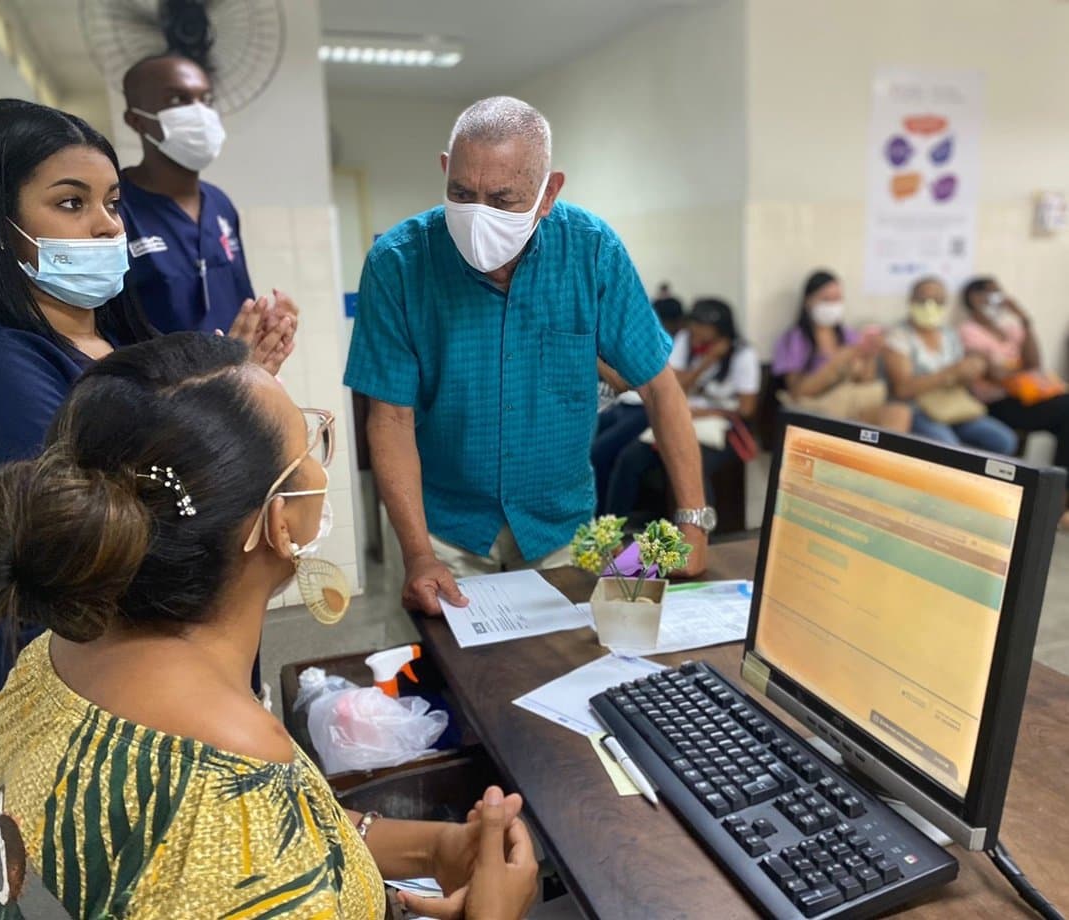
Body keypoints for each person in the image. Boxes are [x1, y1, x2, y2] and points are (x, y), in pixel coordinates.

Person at [0, 332, 539, 919]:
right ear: (278, 523)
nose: (319, 460)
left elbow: (293, 830)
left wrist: (431, 848)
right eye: (308, 444)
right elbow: (259, 847)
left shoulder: (49, 663)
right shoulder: (237, 800)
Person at [0, 99, 288, 782]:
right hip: (69, 719)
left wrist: (235, 385)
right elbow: (118, 528)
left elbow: (173, 464)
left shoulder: (123, 339)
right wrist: (223, 413)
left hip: (175, 683)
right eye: (70, 203)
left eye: (113, 202)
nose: (106, 224)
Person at [344, 96, 711, 615]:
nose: (478, 216)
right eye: (461, 193)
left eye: (503, 199)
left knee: (566, 670)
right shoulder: (398, 264)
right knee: (450, 682)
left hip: (561, 527)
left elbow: (659, 387)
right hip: (446, 530)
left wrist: (693, 522)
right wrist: (419, 554)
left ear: (548, 193)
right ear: (445, 171)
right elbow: (390, 418)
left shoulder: (592, 252)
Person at [119, 53, 297, 350]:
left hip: (234, 380)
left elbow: (237, 303)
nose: (199, 113)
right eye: (178, 100)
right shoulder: (117, 208)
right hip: (159, 391)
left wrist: (268, 328)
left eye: (206, 99)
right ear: (137, 120)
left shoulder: (219, 204)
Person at [603, 298, 760, 513]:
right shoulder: (685, 340)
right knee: (629, 458)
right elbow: (674, 387)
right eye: (694, 323)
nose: (696, 330)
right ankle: (614, 530)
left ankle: (701, 534)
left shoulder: (743, 354)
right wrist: (706, 362)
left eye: (703, 326)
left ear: (721, 330)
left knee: (693, 466)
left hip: (721, 427)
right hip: (682, 417)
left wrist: (706, 412)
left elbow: (746, 408)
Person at [959, 276, 1069, 527]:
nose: (999, 299)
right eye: (992, 293)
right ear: (975, 299)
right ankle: (1059, 499)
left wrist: (1025, 320)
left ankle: (1059, 498)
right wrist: (1018, 374)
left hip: (1028, 398)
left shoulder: (1010, 328)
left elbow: (1034, 362)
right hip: (998, 403)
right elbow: (993, 375)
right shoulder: (969, 331)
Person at [883, 277, 1017, 455]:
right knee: (949, 448)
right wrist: (950, 374)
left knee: (1004, 440)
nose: (930, 306)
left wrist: (973, 369)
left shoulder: (949, 335)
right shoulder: (898, 336)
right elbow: (903, 389)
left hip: (954, 406)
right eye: (923, 300)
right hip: (917, 410)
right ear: (911, 300)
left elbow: (963, 379)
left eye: (938, 300)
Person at [772, 270, 911, 431]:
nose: (832, 305)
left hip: (851, 408)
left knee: (899, 413)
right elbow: (798, 393)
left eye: (837, 299)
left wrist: (869, 355)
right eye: (826, 299)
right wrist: (836, 362)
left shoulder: (849, 335)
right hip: (817, 411)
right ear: (808, 301)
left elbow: (866, 382)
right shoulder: (794, 339)